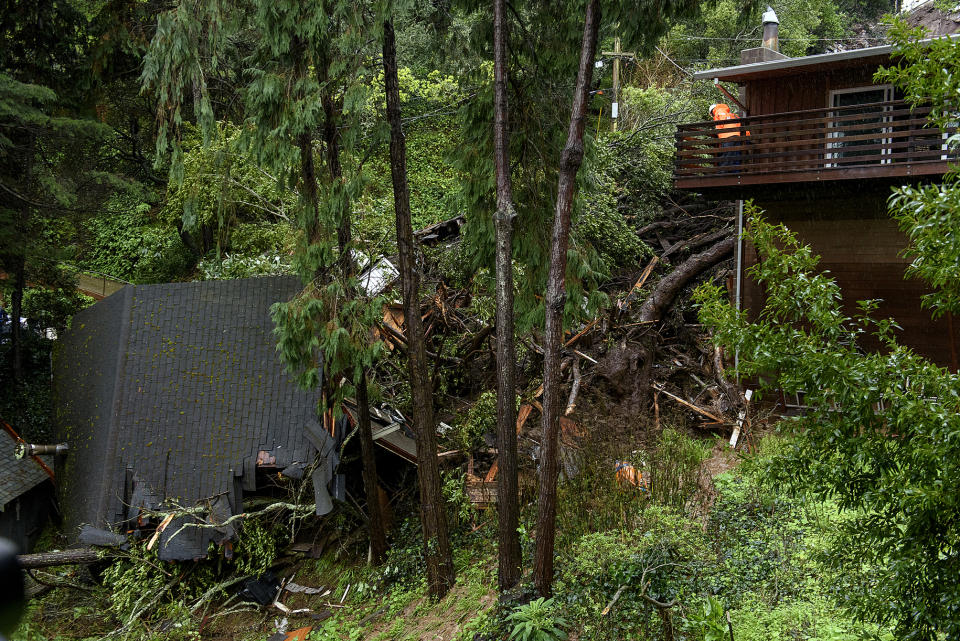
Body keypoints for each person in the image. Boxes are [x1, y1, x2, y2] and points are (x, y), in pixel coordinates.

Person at [709, 103, 750, 170]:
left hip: (728, 137)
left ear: (712, 111)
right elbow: (741, 126)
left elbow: (721, 123)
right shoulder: (732, 115)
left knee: (727, 157)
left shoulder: (719, 111)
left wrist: (717, 132)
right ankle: (736, 174)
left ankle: (724, 173)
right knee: (735, 157)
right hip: (737, 137)